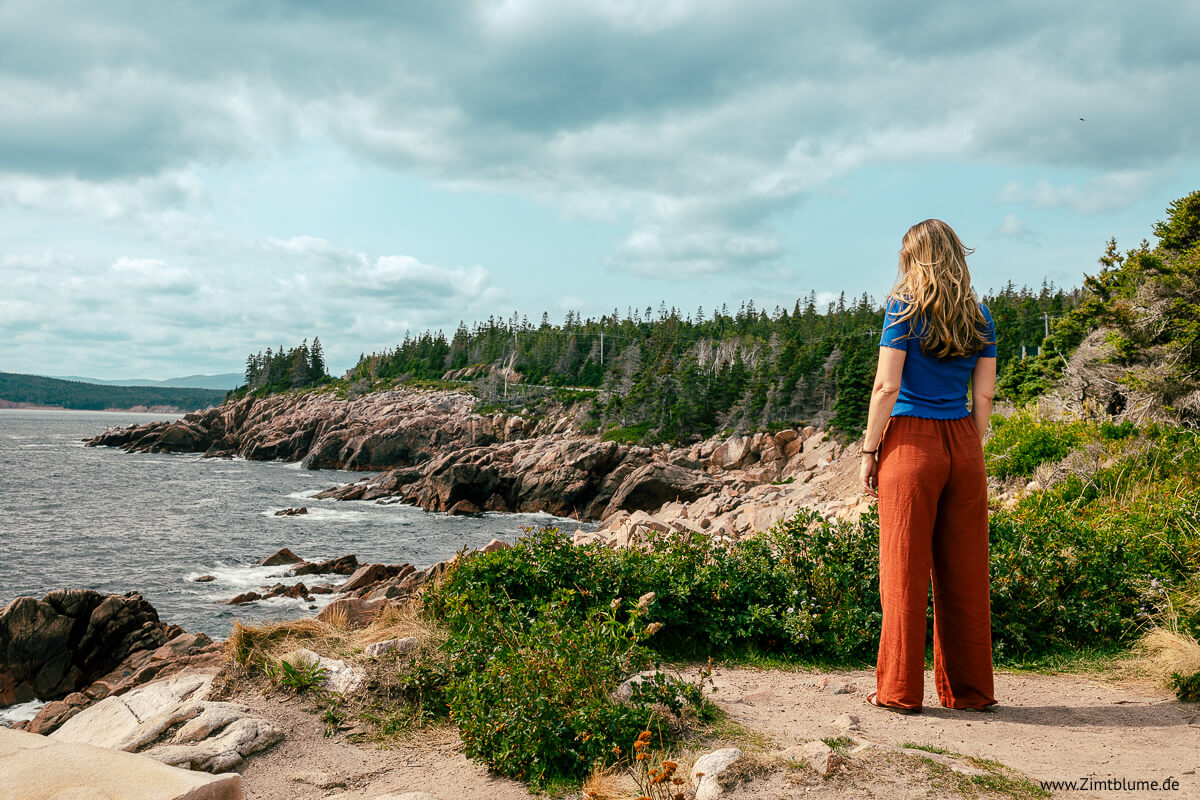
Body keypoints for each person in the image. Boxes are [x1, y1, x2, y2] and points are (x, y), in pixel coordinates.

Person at [858, 218, 998, 714]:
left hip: (911, 441)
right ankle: (971, 692)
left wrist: (870, 451)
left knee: (903, 571)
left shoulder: (903, 310)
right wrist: (969, 447)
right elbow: (983, 393)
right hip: (963, 441)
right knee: (964, 574)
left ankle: (898, 692)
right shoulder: (980, 317)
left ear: (913, 257)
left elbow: (885, 387)